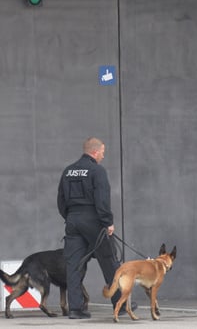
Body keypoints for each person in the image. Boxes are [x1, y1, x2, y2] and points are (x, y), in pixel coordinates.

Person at [57, 136, 135, 320]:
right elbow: (102, 199)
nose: (102, 156)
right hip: (94, 220)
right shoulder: (97, 171)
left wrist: (70, 218)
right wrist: (107, 221)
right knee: (109, 260)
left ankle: (76, 309)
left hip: (73, 220)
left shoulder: (68, 171)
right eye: (102, 153)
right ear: (94, 151)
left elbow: (60, 200)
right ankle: (120, 303)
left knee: (74, 266)